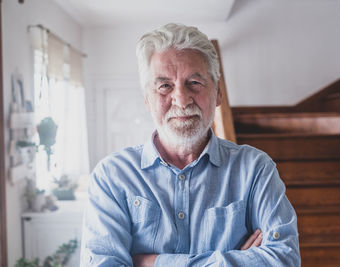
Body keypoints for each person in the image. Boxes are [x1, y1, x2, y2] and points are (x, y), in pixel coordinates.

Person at [80, 23, 300, 266]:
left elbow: (284, 260)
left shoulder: (255, 169)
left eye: (194, 82)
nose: (181, 100)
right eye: (164, 86)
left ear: (218, 93)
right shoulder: (112, 176)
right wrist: (239, 259)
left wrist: (152, 263)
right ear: (147, 100)